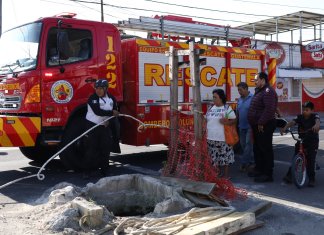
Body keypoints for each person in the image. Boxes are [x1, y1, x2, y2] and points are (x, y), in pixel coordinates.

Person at [84, 79, 120, 177]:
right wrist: (111, 113)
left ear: (106, 89)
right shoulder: (92, 98)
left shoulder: (112, 98)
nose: (98, 91)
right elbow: (98, 112)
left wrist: (110, 120)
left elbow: (115, 111)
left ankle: (104, 171)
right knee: (92, 149)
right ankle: (87, 172)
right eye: (96, 88)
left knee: (105, 149)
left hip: (105, 126)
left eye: (100, 88)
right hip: (92, 126)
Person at [280, 101, 320, 187]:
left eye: (307, 110)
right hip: (302, 140)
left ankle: (312, 179)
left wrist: (316, 125)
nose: (304, 111)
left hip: (312, 141)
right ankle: (290, 176)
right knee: (296, 157)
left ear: (312, 110)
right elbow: (293, 122)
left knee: (310, 160)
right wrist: (285, 127)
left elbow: (317, 122)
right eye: (303, 110)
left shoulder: (314, 116)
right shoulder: (299, 117)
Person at [247, 72, 278, 183]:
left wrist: (261, 122)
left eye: (256, 80)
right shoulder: (260, 91)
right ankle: (259, 169)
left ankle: (267, 174)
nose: (255, 82)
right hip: (257, 125)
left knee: (265, 149)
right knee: (258, 149)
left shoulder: (268, 91)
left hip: (264, 125)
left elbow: (269, 110)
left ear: (263, 80)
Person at [206, 89, 237, 179]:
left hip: (223, 138)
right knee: (215, 158)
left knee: (225, 157)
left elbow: (234, 120)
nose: (213, 99)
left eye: (215, 97)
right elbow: (207, 119)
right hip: (211, 138)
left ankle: (226, 176)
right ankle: (219, 174)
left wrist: (226, 123)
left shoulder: (227, 108)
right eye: (213, 97)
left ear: (221, 98)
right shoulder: (211, 108)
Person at [237, 82, 254, 172]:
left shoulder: (253, 98)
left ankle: (244, 163)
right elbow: (238, 113)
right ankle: (251, 161)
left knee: (248, 144)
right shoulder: (239, 100)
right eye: (238, 90)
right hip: (241, 126)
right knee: (243, 145)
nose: (239, 92)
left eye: (241, 90)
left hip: (250, 126)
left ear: (246, 89)